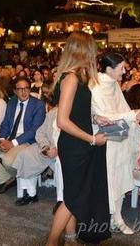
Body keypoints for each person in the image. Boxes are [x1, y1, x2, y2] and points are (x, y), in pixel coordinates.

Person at [47, 32, 109, 246]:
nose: (95, 54)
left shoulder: (75, 77)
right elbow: (62, 121)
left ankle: (70, 238)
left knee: (74, 193)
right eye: (93, 50)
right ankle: (52, 242)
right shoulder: (71, 78)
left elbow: (74, 112)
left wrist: (94, 117)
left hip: (77, 143)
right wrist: (92, 139)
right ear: (84, 51)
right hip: (75, 145)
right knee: (74, 197)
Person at [91, 52, 140, 235]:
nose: (124, 71)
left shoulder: (113, 84)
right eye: (121, 68)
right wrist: (133, 115)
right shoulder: (96, 87)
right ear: (108, 69)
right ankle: (109, 218)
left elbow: (122, 110)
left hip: (120, 138)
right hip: (105, 141)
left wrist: (137, 116)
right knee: (110, 181)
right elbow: (105, 117)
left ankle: (117, 217)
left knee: (121, 177)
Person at [0, 76, 45, 195]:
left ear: (29, 89)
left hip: (25, 141)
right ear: (15, 91)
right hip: (8, 138)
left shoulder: (38, 104)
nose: (23, 92)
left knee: (7, 161)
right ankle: (7, 179)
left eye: (26, 88)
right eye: (20, 89)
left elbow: (34, 130)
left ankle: (15, 177)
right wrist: (2, 139)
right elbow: (5, 124)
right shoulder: (12, 102)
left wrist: (12, 144)